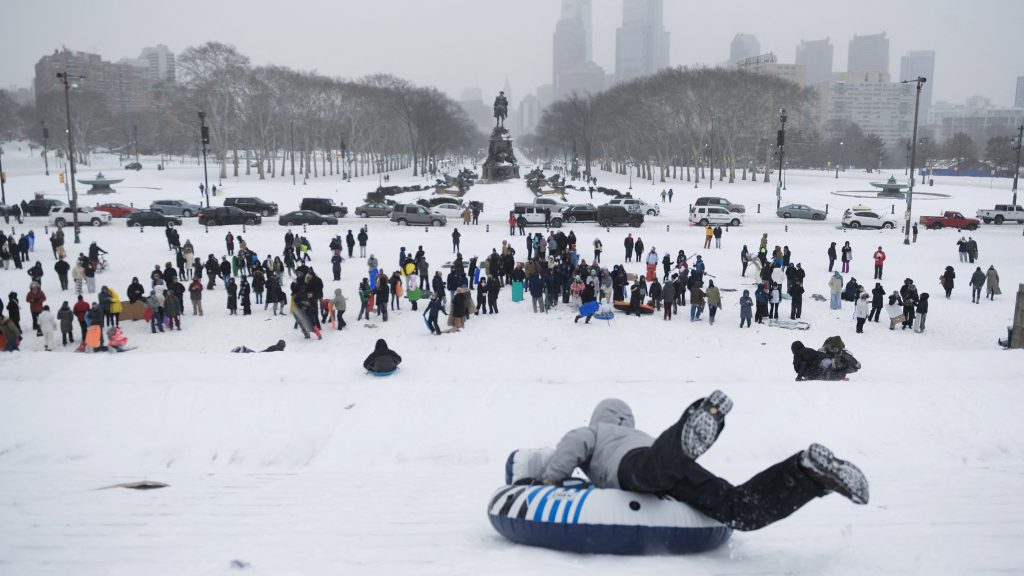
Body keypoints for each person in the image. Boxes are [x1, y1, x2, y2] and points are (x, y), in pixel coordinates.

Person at [539, 395, 868, 533]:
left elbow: (573, 445)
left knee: (651, 470)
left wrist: (551, 479)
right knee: (738, 507)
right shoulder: (639, 434)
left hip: (635, 467)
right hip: (669, 463)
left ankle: (696, 418)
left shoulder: (595, 431)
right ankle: (807, 472)